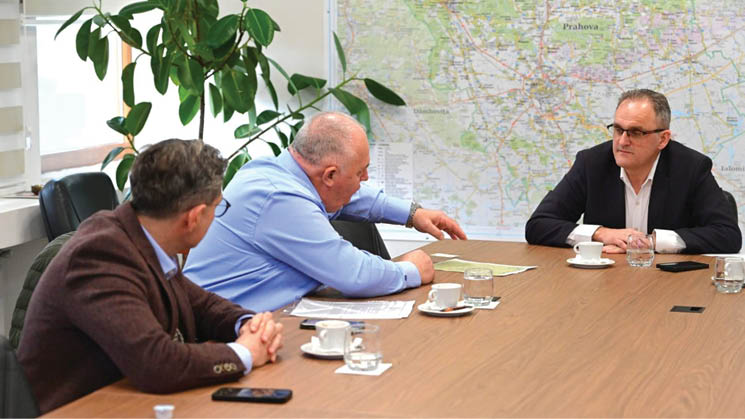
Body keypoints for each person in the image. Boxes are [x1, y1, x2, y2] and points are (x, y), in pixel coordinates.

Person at [17, 139, 283, 414]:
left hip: (127, 402)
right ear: (194, 217)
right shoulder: (99, 256)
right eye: (218, 206)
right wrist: (245, 353)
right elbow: (156, 362)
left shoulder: (146, 235)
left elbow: (200, 305)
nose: (216, 215)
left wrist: (248, 325)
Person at [184, 112, 467, 312]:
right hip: (218, 337)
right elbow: (353, 273)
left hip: (265, 321)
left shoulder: (280, 172)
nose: (365, 179)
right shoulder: (278, 198)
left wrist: (412, 214)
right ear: (330, 175)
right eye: (360, 172)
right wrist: (411, 270)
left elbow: (352, 196)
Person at [525, 89, 741, 254]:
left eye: (636, 132)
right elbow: (538, 225)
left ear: (663, 139)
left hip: (668, 282)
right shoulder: (591, 164)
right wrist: (601, 234)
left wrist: (650, 242)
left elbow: (727, 235)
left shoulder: (691, 168)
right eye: (618, 129)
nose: (622, 141)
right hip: (606, 281)